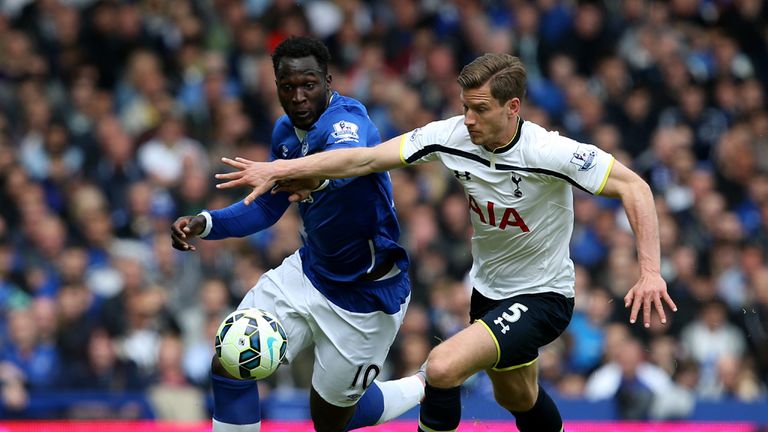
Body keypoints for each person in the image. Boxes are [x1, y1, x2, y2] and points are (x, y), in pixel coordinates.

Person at [214, 53, 678, 432]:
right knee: (518, 396)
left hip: (543, 295)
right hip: (489, 291)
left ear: (512, 108)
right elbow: (366, 159)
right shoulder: (451, 136)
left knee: (441, 367)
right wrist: (278, 168)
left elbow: (634, 186)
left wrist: (650, 270)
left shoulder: (551, 152)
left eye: (480, 109)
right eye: (465, 107)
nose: (468, 119)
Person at [171, 36, 425, 432]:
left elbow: (347, 164)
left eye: (309, 84)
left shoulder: (348, 121)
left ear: (328, 80)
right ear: (276, 87)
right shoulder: (285, 134)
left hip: (366, 295)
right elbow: (270, 206)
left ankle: (425, 382)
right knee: (229, 362)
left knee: (332, 420)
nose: (299, 96)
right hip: (309, 273)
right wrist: (207, 223)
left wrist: (307, 179)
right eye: (288, 87)